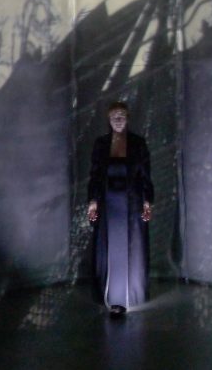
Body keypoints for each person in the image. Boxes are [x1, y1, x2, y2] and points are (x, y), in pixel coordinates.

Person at [87, 101, 154, 316]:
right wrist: (93, 201)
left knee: (132, 248)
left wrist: (147, 201)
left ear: (127, 118)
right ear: (108, 119)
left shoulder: (138, 143)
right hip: (109, 206)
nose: (118, 119)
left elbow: (145, 175)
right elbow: (95, 175)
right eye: (114, 115)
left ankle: (130, 296)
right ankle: (111, 297)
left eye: (121, 115)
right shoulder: (101, 144)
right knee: (109, 248)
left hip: (132, 205)